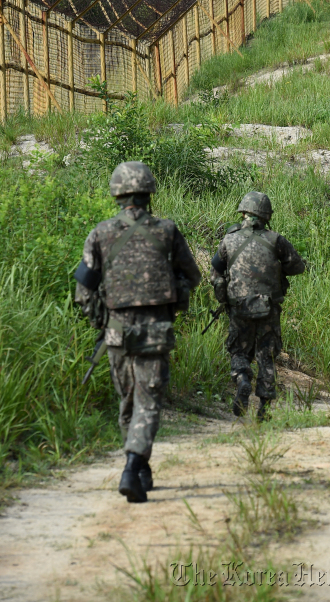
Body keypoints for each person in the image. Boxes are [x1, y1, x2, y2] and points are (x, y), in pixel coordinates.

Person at [74, 161, 200, 503]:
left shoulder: (100, 233)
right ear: (148, 193)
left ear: (117, 193)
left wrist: (102, 322)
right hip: (155, 330)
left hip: (116, 333)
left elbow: (84, 291)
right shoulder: (167, 231)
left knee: (128, 401)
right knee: (148, 401)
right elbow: (192, 276)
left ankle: (141, 469)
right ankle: (132, 467)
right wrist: (173, 302)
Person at [210, 191, 305, 420]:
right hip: (268, 308)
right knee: (267, 355)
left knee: (239, 351)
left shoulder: (229, 240)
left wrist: (223, 299)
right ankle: (263, 408)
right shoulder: (276, 240)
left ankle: (242, 379)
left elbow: (216, 274)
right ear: (266, 216)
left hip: (238, 307)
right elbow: (298, 267)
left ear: (243, 213)